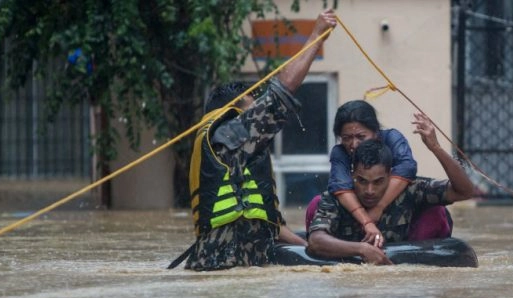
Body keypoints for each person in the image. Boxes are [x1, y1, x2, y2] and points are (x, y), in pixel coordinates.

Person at [171, 9, 337, 271]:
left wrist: (312, 251)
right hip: (225, 270)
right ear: (234, 109)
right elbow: (281, 94)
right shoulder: (227, 136)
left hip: (240, 266)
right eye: (253, 105)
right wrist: (316, 35)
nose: (258, 109)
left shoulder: (233, 149)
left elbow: (269, 225)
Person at [306, 113, 474, 264]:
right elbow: (316, 241)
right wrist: (361, 249)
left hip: (409, 261)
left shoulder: (409, 189)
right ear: (351, 176)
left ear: (391, 176)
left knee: (436, 210)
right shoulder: (337, 197)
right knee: (315, 203)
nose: (370, 190)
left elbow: (464, 191)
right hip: (351, 259)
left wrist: (436, 148)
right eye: (362, 181)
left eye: (378, 182)